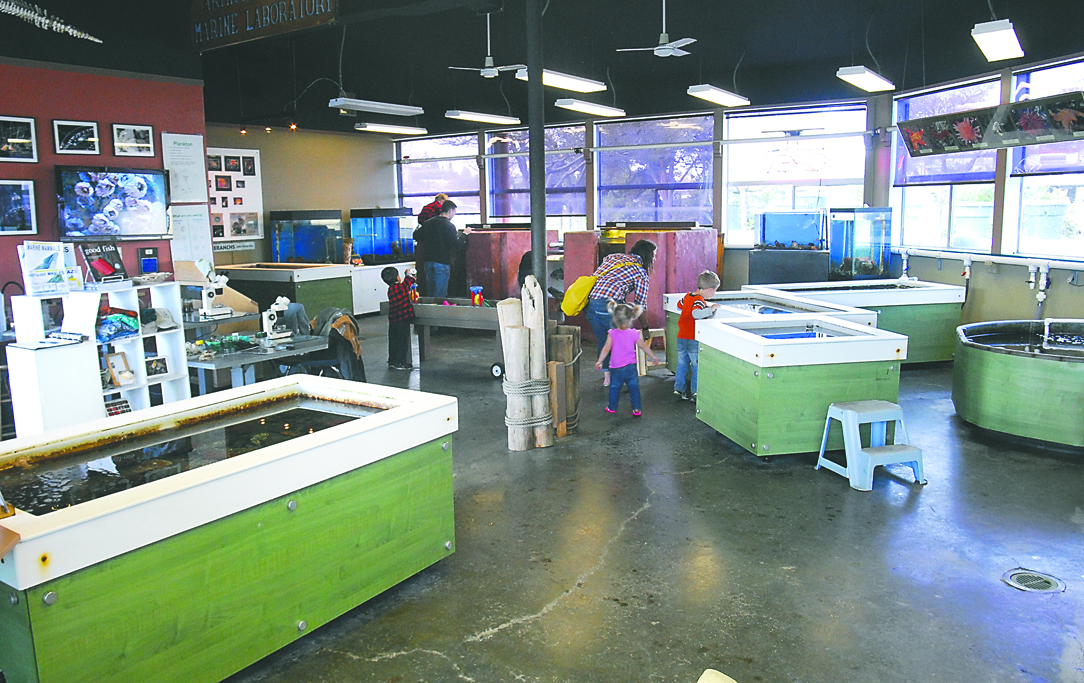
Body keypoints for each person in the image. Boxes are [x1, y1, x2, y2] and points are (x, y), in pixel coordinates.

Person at [584, 239, 656, 386]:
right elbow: (640, 305)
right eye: (654, 255)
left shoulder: (613, 257)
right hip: (608, 305)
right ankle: (620, 377)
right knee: (620, 342)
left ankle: (607, 378)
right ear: (647, 255)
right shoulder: (641, 273)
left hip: (589, 303)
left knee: (605, 340)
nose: (654, 259)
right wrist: (646, 329)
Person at [595, 301, 658, 417]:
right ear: (631, 319)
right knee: (634, 388)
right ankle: (636, 409)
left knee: (614, 387)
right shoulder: (634, 333)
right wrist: (652, 356)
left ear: (614, 319)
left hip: (616, 367)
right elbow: (643, 346)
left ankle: (612, 407)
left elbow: (606, 349)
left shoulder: (612, 333)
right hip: (631, 367)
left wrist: (600, 361)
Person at [674, 270, 721, 401]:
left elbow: (679, 305)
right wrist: (711, 309)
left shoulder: (688, 295)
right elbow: (696, 314)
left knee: (682, 364)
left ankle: (679, 388)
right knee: (696, 365)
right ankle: (695, 392)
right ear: (710, 290)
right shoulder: (700, 300)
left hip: (681, 336)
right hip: (693, 338)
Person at [413, 200, 458, 298]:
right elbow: (455, 245)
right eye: (454, 212)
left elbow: (416, 235)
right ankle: (438, 312)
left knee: (430, 289)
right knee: (440, 292)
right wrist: (464, 235)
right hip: (442, 262)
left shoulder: (428, 223)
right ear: (450, 210)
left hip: (428, 261)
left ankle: (430, 311)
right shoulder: (449, 226)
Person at [382, 266, 416, 370]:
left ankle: (392, 361)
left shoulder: (390, 289)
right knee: (402, 341)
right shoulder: (400, 287)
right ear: (398, 278)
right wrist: (409, 274)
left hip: (393, 321)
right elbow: (408, 282)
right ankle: (401, 363)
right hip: (402, 319)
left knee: (394, 341)